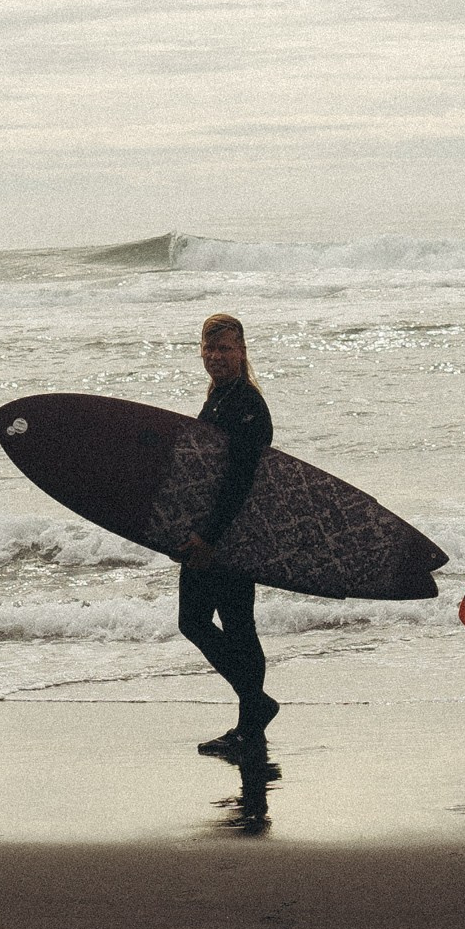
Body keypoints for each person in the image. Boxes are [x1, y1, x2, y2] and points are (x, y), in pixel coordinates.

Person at [176, 312, 278, 754]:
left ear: (241, 352)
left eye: (225, 348)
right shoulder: (220, 397)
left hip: (230, 536)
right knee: (225, 625)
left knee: (216, 623)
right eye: (209, 348)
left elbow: (239, 481)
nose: (216, 356)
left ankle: (253, 712)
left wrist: (208, 537)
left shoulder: (247, 406)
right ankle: (252, 715)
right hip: (219, 533)